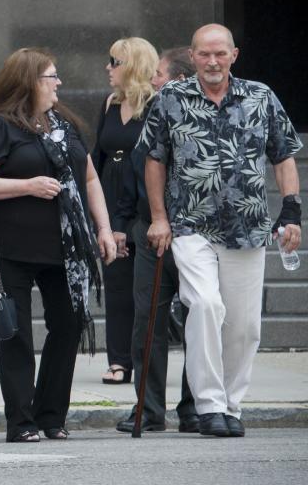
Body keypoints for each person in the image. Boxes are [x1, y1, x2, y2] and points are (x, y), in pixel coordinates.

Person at [141, 24, 302, 438]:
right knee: (206, 305)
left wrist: (291, 211)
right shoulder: (170, 100)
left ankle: (231, 405)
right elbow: (155, 160)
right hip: (190, 224)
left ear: (234, 55)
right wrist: (159, 218)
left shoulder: (261, 97)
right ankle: (208, 405)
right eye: (204, 54)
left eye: (220, 54)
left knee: (245, 325)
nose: (212, 62)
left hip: (247, 227)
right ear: (192, 57)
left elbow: (283, 156)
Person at [0, 48, 116, 443]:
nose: (58, 83)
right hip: (9, 245)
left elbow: (91, 179)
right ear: (30, 82)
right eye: (51, 76)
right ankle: (22, 421)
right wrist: (26, 186)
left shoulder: (64, 123)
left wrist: (102, 227)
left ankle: (51, 415)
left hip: (64, 246)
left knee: (67, 325)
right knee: (15, 333)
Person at [113, 46, 198, 434]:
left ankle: (195, 405)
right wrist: (131, 222)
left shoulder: (202, 121)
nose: (153, 80)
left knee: (199, 320)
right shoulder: (152, 115)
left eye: (160, 74)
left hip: (196, 234)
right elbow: (134, 171)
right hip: (150, 231)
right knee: (147, 320)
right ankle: (148, 408)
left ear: (180, 80)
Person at [93, 38, 158, 385]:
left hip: (145, 202)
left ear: (132, 66)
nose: (108, 67)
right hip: (110, 197)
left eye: (114, 61)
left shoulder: (157, 105)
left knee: (144, 288)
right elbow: (98, 156)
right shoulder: (109, 103)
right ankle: (119, 361)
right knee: (116, 282)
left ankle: (144, 357)